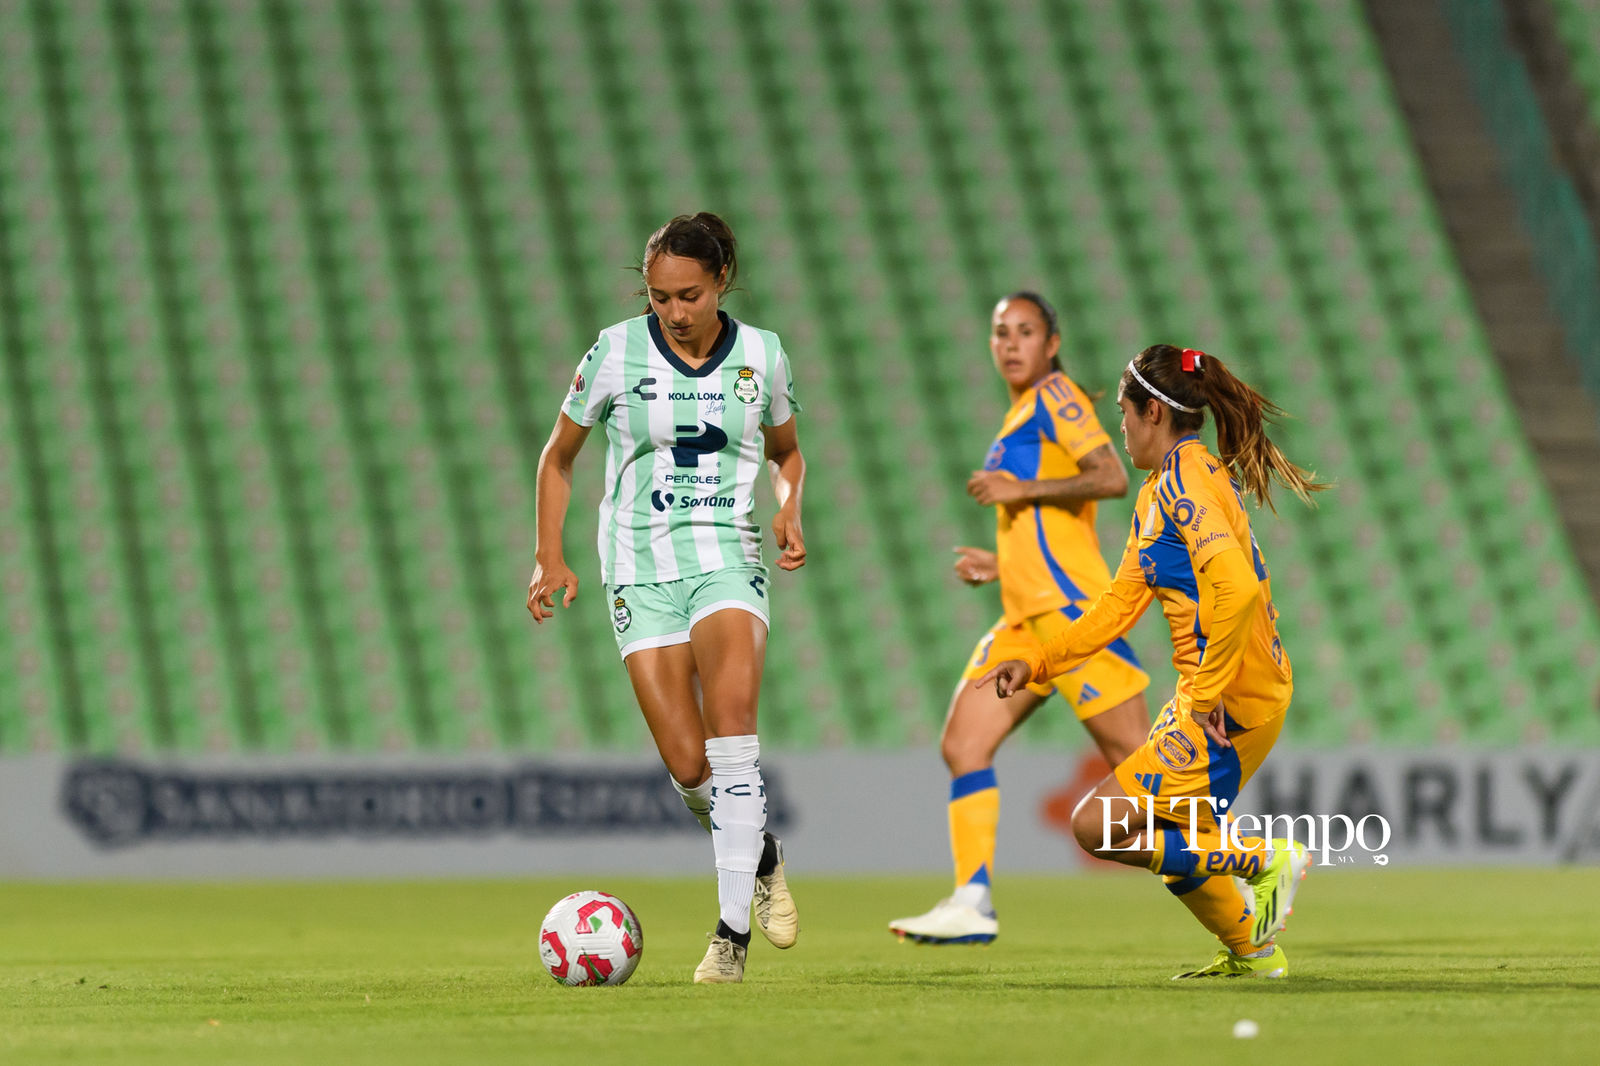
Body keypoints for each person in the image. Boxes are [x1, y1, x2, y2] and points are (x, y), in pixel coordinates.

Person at [979, 343, 1328, 978]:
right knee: (1175, 843)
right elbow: (1117, 606)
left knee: (1098, 827)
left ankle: (1263, 861)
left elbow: (1238, 589)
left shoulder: (1188, 483)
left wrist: (1204, 696)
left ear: (1154, 415)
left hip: (1227, 702)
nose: (1120, 425)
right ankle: (1253, 951)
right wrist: (1038, 660)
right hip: (1232, 695)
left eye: (1123, 411)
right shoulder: (1164, 488)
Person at [528, 213, 806, 984]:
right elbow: (559, 458)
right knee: (689, 767)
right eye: (659, 298)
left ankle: (730, 936)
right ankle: (763, 853)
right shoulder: (614, 351)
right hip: (638, 566)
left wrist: (788, 504)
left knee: (732, 730)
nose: (675, 313)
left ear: (721, 282)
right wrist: (547, 557)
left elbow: (786, 453)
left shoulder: (763, 355)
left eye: (688, 295)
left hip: (726, 555)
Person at [889, 293, 1151, 946]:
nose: (1011, 343)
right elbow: (1046, 537)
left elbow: (1111, 475)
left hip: (1071, 617)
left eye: (1026, 332)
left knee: (1145, 775)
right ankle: (971, 899)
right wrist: (1001, 564)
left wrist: (1018, 490)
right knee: (964, 744)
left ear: (1052, 343)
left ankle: (1250, 868)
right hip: (1023, 617)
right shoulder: (1020, 414)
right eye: (1000, 332)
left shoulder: (1058, 397)